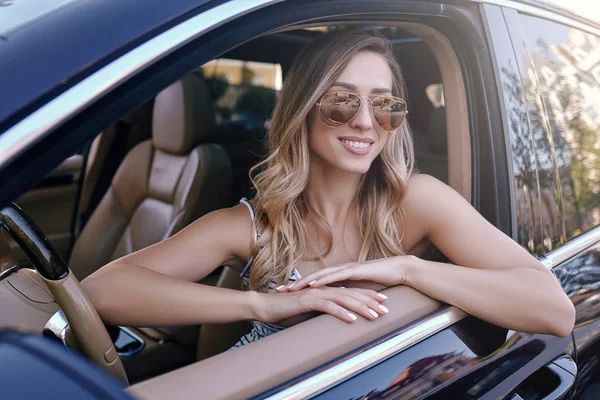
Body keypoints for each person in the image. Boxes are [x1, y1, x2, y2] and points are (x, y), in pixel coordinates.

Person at [82, 30, 575, 349]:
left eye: (384, 105)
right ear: (303, 109)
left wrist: (408, 269)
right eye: (341, 101)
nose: (365, 121)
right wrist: (264, 305)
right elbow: (102, 290)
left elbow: (553, 309)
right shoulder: (255, 226)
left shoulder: (416, 202)